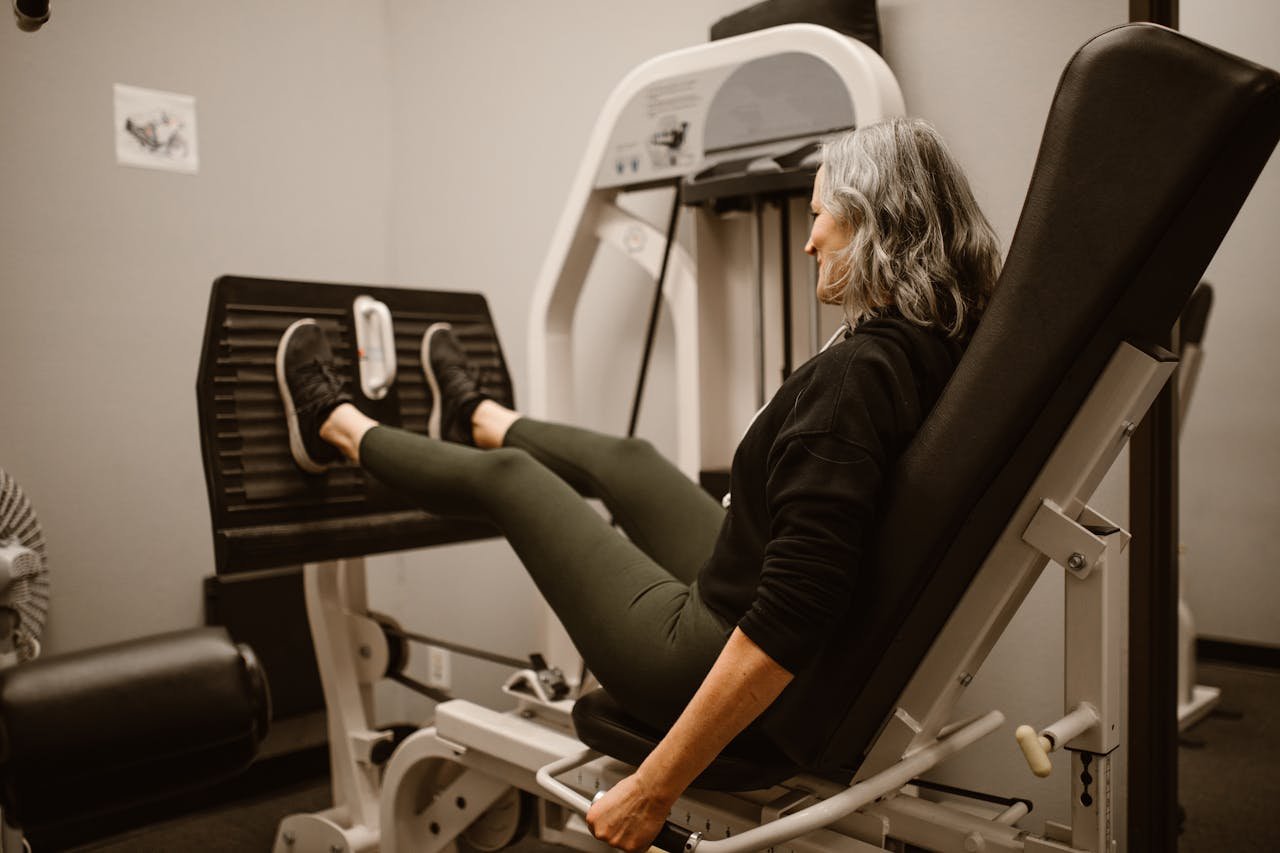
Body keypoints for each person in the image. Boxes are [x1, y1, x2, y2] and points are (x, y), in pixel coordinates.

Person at [275, 117, 1001, 853]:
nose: (809, 240)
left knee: (513, 480)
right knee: (631, 458)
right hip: (742, 580)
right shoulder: (935, 343)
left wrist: (655, 787)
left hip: (698, 653)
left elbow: (793, 618)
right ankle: (477, 413)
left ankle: (329, 424)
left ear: (874, 224)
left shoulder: (852, 384)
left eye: (819, 217)